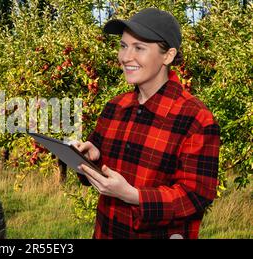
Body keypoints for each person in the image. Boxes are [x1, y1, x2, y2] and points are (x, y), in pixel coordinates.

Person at [73, 8, 220, 239]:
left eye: (139, 48)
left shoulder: (196, 119)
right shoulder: (115, 107)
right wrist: (90, 158)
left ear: (168, 56)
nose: (125, 57)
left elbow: (195, 196)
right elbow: (100, 175)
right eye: (123, 46)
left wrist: (133, 196)